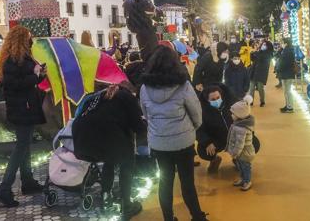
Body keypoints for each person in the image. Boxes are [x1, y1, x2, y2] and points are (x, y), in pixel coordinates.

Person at [140, 46, 207, 221]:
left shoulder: (144, 88)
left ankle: (169, 218)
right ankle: (197, 217)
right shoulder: (183, 85)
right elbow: (196, 112)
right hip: (183, 142)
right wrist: (192, 128)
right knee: (187, 183)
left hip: (159, 143)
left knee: (165, 182)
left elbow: (145, 114)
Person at [72, 82, 145, 219]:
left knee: (109, 160)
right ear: (131, 91)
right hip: (107, 135)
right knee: (127, 162)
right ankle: (127, 205)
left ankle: (106, 197)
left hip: (82, 138)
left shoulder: (98, 96)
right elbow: (138, 127)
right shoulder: (127, 97)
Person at [0, 26, 47, 207]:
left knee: (25, 145)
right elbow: (13, 84)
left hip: (27, 106)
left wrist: (40, 75)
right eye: (29, 37)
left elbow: (28, 81)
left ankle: (28, 181)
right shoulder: (11, 60)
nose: (31, 39)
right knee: (21, 146)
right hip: (21, 108)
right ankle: (4, 188)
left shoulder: (24, 58)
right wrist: (34, 76)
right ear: (21, 39)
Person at [197, 84, 237, 173]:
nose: (217, 100)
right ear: (208, 100)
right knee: (203, 151)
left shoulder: (232, 104)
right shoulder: (202, 111)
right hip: (217, 140)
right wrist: (207, 142)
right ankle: (214, 160)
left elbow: (245, 119)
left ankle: (238, 159)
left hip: (235, 136)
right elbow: (199, 130)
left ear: (221, 96)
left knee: (254, 143)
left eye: (218, 97)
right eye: (213, 100)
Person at [226, 95, 256, 191]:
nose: (231, 115)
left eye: (233, 114)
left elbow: (240, 144)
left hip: (244, 152)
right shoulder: (239, 124)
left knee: (245, 167)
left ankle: (247, 181)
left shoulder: (241, 129)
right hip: (242, 152)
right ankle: (243, 179)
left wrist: (234, 153)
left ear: (240, 115)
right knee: (241, 166)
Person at [248, 40, 273, 107]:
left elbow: (261, 58)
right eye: (263, 44)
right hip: (253, 71)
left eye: (265, 45)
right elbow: (253, 59)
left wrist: (256, 52)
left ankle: (262, 101)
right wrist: (252, 54)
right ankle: (251, 101)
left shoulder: (268, 54)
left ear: (268, 46)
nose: (263, 46)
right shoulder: (259, 52)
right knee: (251, 88)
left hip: (261, 73)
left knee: (260, 88)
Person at [278, 38, 296, 113]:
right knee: (286, 91)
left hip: (287, 74)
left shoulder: (287, 51)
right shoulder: (286, 50)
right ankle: (287, 105)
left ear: (286, 43)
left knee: (288, 91)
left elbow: (284, 63)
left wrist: (279, 69)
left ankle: (290, 107)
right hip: (286, 73)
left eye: (282, 42)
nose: (281, 44)